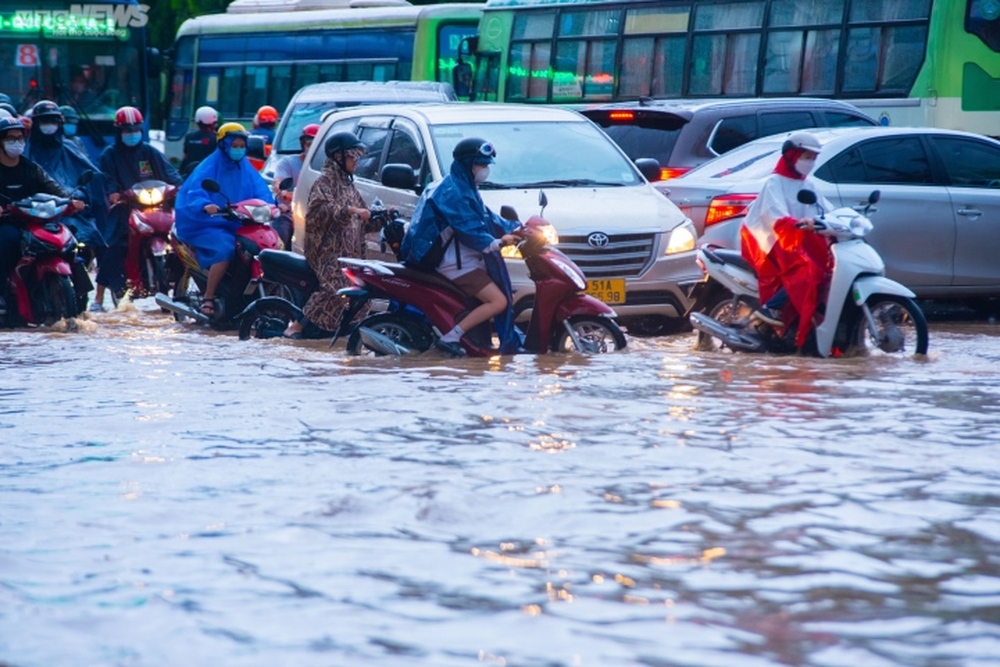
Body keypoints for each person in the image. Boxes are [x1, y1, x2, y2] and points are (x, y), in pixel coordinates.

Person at [400, 137, 520, 357]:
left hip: (466, 259)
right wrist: (496, 242)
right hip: (455, 265)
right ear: (468, 164)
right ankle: (452, 336)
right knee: (499, 301)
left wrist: (516, 227)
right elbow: (469, 228)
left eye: (486, 165)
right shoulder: (451, 192)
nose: (485, 170)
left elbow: (486, 217)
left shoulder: (464, 185)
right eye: (481, 165)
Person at [740, 131, 836, 349]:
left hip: (795, 238)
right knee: (808, 270)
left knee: (827, 269)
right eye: (805, 157)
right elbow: (773, 214)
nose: (809, 163)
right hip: (769, 240)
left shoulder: (808, 184)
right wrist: (795, 223)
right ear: (792, 156)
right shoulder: (774, 182)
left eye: (813, 158)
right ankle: (771, 307)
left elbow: (826, 209)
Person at [282, 131, 378, 339]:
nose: (356, 161)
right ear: (338, 157)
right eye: (352, 156)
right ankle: (297, 326)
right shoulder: (323, 184)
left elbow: (364, 218)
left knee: (364, 291)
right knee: (336, 289)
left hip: (350, 254)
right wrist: (350, 211)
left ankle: (348, 333)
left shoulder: (349, 185)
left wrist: (380, 217)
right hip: (327, 254)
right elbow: (323, 212)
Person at [174, 122, 274, 319]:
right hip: (208, 223)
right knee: (225, 250)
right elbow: (195, 191)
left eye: (241, 146)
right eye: (234, 145)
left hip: (240, 222)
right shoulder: (209, 166)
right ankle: (209, 297)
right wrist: (205, 204)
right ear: (223, 145)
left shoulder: (247, 168)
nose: (238, 150)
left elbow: (262, 191)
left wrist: (276, 205)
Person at [95, 106, 183, 311]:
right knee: (113, 247)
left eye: (135, 130)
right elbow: (105, 180)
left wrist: (180, 187)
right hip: (124, 209)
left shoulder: (150, 151)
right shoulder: (110, 155)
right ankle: (98, 299)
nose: (132, 134)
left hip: (155, 206)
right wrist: (114, 193)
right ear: (119, 132)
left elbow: (171, 174)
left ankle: (181, 289)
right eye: (127, 130)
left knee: (181, 240)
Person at [25, 100, 110, 305]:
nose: (48, 125)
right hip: (29, 213)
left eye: (52, 121)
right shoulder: (24, 151)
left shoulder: (71, 148)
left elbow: (91, 178)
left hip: (67, 211)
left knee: (90, 242)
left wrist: (80, 197)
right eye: (44, 121)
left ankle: (86, 290)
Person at [0, 117, 85, 316]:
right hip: (7, 224)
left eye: (20, 138)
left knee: (69, 241)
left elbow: (54, 189)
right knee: (8, 240)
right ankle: (3, 292)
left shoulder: (32, 169)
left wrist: (71, 201)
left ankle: (81, 293)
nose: (17, 142)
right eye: (11, 138)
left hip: (35, 222)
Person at [270, 123, 319, 248]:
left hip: (317, 214)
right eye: (309, 143)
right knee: (280, 231)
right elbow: (278, 183)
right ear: (303, 144)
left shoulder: (325, 167)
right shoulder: (287, 162)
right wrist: (283, 191)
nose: (312, 147)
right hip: (290, 212)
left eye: (316, 144)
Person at [180, 105, 218, 176]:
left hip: (191, 174)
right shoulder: (217, 138)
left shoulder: (189, 137)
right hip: (209, 174)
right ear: (213, 122)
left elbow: (186, 156)